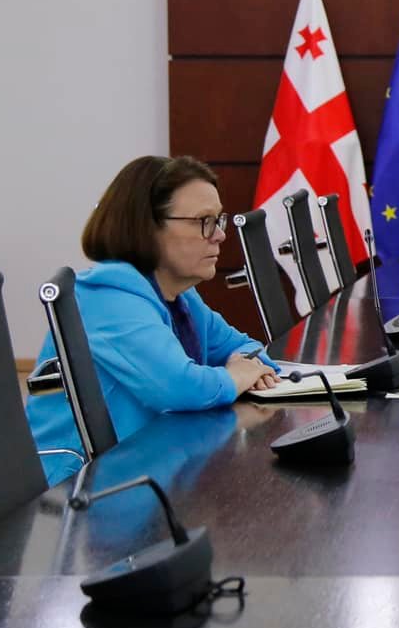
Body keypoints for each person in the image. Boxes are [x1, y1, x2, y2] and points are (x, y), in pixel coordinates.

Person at [27, 155, 280, 482]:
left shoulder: (181, 296)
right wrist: (237, 375)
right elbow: (182, 387)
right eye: (204, 221)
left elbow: (250, 348)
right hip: (79, 490)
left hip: (144, 470)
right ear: (147, 227)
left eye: (219, 220)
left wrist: (245, 367)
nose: (219, 235)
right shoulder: (107, 299)